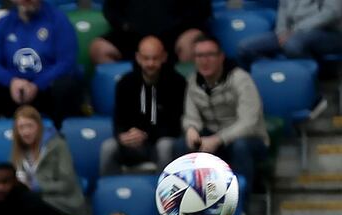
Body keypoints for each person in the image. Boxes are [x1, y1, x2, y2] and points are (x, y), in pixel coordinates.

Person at [174, 35, 269, 199]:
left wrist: (218, 139)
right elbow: (191, 116)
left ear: (221, 57)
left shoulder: (241, 79)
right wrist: (191, 129)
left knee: (240, 146)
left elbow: (249, 122)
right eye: (200, 56)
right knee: (182, 144)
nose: (205, 60)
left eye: (210, 55)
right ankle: (188, 204)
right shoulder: (193, 82)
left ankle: (240, 209)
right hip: (212, 139)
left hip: (248, 140)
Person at [0, 0, 82, 128]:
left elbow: (66, 62)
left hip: (45, 89)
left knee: (66, 87)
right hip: (14, 90)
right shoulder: (4, 23)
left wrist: (37, 85)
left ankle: (61, 136)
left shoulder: (58, 20)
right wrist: (11, 81)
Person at [99, 36, 186, 176]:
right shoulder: (125, 83)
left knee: (165, 145)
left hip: (159, 142)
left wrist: (146, 134)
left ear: (164, 57)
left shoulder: (177, 83)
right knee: (108, 147)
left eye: (155, 58)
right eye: (146, 58)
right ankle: (110, 192)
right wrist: (123, 136)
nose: (150, 63)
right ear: (138, 58)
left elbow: (175, 125)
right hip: (132, 143)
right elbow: (118, 120)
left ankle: (163, 193)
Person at [11, 105, 85, 215]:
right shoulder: (19, 151)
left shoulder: (58, 145)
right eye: (21, 128)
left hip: (61, 204)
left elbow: (67, 184)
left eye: (30, 126)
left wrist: (36, 187)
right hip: (33, 202)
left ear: (39, 127)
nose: (26, 132)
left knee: (26, 208)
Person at [236, 0, 342, 68]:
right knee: (245, 48)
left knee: (293, 44)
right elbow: (283, 8)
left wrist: (295, 30)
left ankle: (311, 83)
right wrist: (281, 31)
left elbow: (332, 13)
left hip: (330, 33)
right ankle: (278, 73)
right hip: (291, 33)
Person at [90, 0, 211, 65]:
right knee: (99, 49)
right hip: (133, 36)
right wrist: (125, 26)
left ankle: (183, 95)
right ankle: (128, 94)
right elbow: (110, 10)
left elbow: (203, 9)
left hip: (175, 35)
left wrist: (173, 26)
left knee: (190, 42)